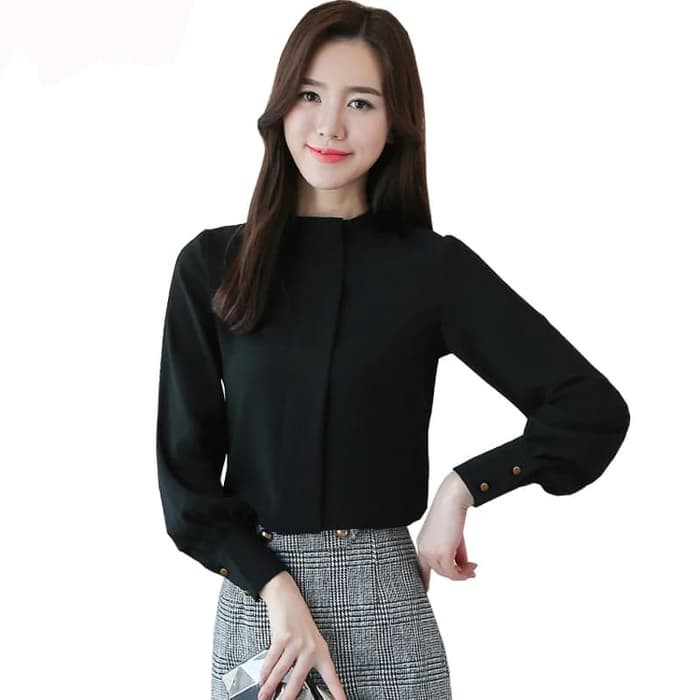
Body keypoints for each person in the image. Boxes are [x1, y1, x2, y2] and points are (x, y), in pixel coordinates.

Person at [155, 2, 631, 699]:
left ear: (395, 122)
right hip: (263, 617)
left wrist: (465, 486)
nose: (329, 125)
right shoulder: (211, 266)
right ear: (281, 106)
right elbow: (187, 483)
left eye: (360, 102)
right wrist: (275, 587)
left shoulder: (431, 271)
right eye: (309, 95)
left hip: (386, 606)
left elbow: (589, 408)